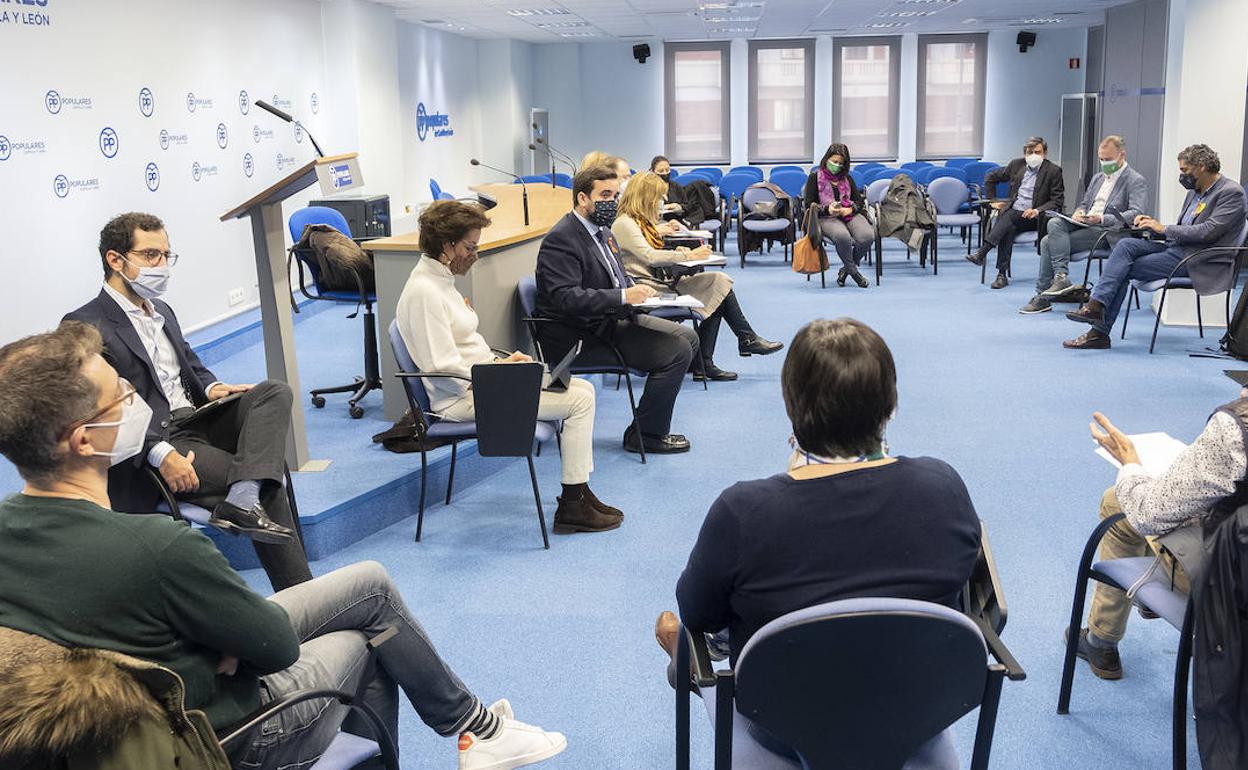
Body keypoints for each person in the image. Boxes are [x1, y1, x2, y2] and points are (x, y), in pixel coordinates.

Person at [0, 322, 567, 770]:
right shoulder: (157, 547)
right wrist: (217, 654)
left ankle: (477, 728)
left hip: (122, 726)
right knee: (367, 639)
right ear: (83, 440)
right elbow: (274, 650)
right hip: (221, 737)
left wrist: (219, 648)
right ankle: (473, 731)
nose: (134, 401)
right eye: (120, 397)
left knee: (368, 582)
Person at [654, 318, 982, 758]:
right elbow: (971, 598)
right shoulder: (944, 487)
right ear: (890, 406)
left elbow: (698, 612)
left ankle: (683, 660)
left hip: (780, 727)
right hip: (916, 714)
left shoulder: (744, 511)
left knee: (697, 642)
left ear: (791, 406)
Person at [63, 212, 310, 592]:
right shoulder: (85, 326)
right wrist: (160, 454)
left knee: (274, 391)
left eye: (165, 255)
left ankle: (244, 497)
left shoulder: (162, 311)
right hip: (162, 438)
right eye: (150, 256)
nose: (161, 266)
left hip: (198, 417)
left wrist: (213, 389)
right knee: (266, 478)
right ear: (115, 260)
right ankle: (308, 599)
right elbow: (100, 411)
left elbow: (190, 365)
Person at [397, 200, 623, 534]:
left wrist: (501, 363)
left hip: (483, 383)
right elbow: (441, 367)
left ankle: (580, 492)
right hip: (459, 401)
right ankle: (573, 503)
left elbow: (461, 350)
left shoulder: (440, 280)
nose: (475, 255)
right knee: (579, 400)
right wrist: (500, 376)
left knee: (581, 388)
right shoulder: (423, 292)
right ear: (447, 246)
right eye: (470, 247)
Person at [1073, 397, 1248, 679]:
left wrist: (1130, 463)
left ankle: (1101, 640)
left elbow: (1147, 513)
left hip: (1228, 589)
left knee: (1119, 502)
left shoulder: (1235, 427)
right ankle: (1146, 596)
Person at [535, 165, 699, 455]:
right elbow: (566, 298)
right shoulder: (562, 239)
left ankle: (646, 426)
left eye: (615, 194)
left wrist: (636, 289)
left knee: (688, 337)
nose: (613, 201)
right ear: (583, 199)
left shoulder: (604, 233)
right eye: (605, 195)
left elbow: (618, 276)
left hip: (608, 322)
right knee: (677, 351)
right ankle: (645, 435)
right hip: (580, 337)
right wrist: (623, 295)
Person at [1064, 144, 1247, 349]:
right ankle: (1096, 308)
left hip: (1199, 258)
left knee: (1122, 269)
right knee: (1125, 246)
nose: (1182, 176)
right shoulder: (1195, 192)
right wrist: (1151, 226)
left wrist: (1163, 228)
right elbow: (1184, 228)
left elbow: (1207, 232)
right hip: (1178, 248)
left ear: (1201, 167)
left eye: (1184, 170)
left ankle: (1098, 329)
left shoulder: (1232, 193)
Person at [611, 171, 782, 381]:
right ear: (644, 196)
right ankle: (717, 355)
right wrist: (687, 254)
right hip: (648, 289)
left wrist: (681, 251)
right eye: (658, 197)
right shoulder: (625, 223)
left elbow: (651, 251)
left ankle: (734, 346)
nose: (661, 203)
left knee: (718, 283)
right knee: (717, 290)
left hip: (660, 282)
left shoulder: (640, 221)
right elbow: (650, 256)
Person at [1020, 136, 1149, 314]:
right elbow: (1084, 203)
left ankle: (1044, 296)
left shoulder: (1135, 180)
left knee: (1047, 242)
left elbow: (1136, 213)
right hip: (1087, 224)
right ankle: (1060, 278)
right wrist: (1079, 212)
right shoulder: (1098, 178)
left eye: (1108, 159)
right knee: (1055, 222)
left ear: (1122, 155)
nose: (1104, 163)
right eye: (1101, 159)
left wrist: (1102, 218)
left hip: (1109, 232)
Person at [967, 137, 1065, 289]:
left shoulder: (1053, 171)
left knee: (1008, 217)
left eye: (1037, 152)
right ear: (1024, 154)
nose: (1033, 155)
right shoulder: (1016, 165)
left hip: (1036, 218)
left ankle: (983, 252)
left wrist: (1037, 210)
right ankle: (1001, 275)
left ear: (1045, 153)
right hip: (1015, 216)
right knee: (1009, 225)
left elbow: (1057, 200)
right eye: (1029, 152)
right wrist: (992, 199)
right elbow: (991, 177)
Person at [802, 143, 873, 287]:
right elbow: (809, 205)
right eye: (834, 162)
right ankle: (854, 273)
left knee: (868, 236)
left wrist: (851, 209)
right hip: (825, 216)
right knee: (842, 237)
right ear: (826, 159)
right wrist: (828, 209)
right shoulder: (814, 178)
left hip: (848, 214)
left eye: (841, 163)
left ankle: (845, 270)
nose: (837, 165)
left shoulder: (847, 178)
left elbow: (859, 201)